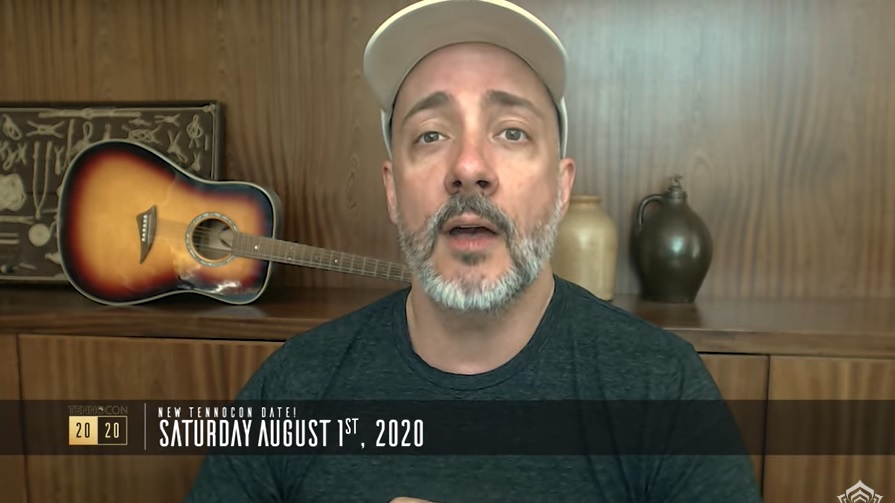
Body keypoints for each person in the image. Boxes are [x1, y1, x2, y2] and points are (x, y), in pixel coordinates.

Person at [185, 1, 762, 501]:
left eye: (511, 131)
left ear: (562, 188)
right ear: (392, 190)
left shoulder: (663, 390)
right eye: (431, 134)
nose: (467, 166)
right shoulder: (292, 391)